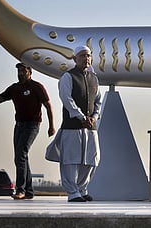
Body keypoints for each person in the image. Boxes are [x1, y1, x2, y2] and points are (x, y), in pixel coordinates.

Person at [0, 63, 55, 200]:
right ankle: (29, 191)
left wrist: (51, 126)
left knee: (20, 155)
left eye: (23, 70)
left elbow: (48, 105)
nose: (20, 73)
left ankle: (20, 190)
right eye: (18, 71)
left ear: (30, 72)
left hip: (32, 125)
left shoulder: (37, 87)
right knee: (22, 157)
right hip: (19, 126)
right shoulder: (14, 88)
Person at [57, 45, 102, 202]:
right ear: (75, 58)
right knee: (70, 159)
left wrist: (95, 116)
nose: (86, 58)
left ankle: (82, 189)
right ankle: (72, 192)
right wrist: (81, 117)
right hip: (72, 126)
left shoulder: (94, 78)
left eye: (88, 55)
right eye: (82, 56)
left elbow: (98, 101)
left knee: (92, 159)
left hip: (90, 127)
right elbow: (67, 99)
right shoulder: (68, 77)